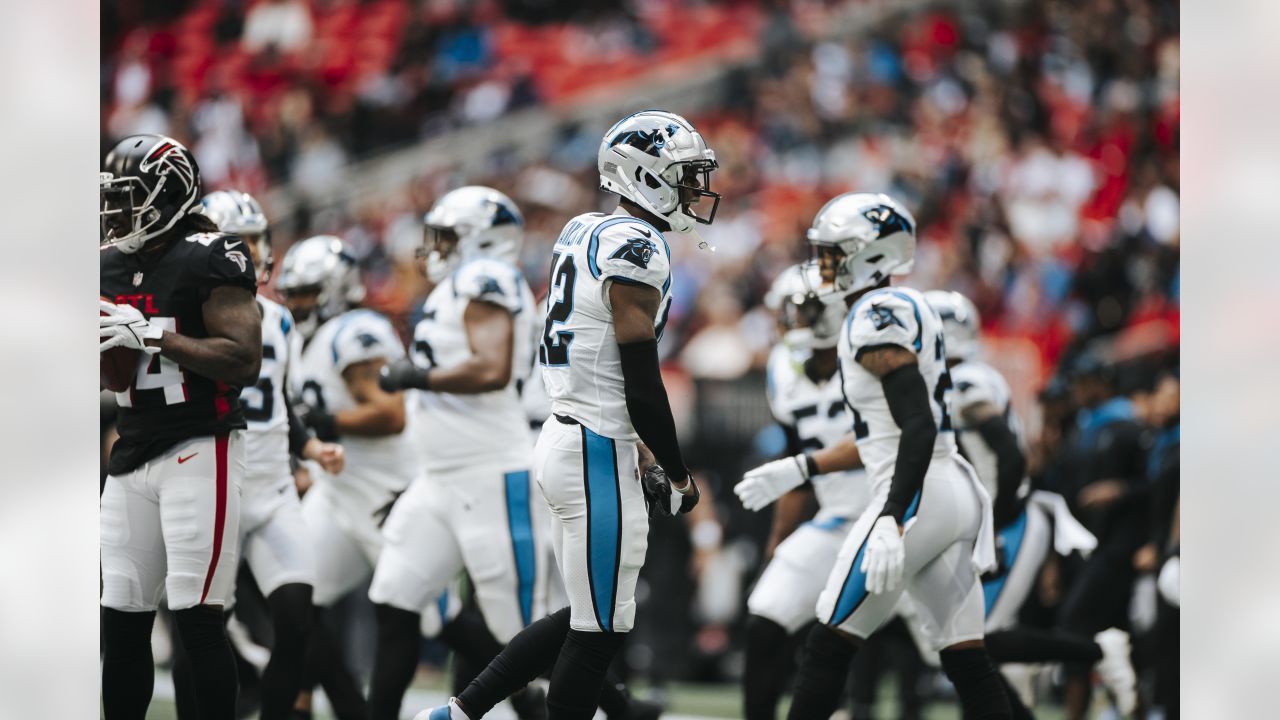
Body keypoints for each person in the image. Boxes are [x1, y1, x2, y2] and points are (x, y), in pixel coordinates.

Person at [417, 109, 717, 720]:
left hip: (573, 435)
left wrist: (643, 450)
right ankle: (459, 714)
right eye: (685, 176)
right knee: (599, 629)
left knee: (589, 618)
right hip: (594, 449)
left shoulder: (585, 229)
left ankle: (457, 713)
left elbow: (599, 360)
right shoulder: (636, 249)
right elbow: (639, 380)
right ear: (646, 176)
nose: (696, 189)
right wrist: (680, 474)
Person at [741, 192, 1011, 720]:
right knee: (966, 661)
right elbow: (887, 433)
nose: (822, 265)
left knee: (828, 645)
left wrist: (892, 514)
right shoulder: (905, 306)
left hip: (916, 497)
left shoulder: (872, 316)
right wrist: (800, 466)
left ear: (870, 253)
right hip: (949, 489)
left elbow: (916, 424)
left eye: (832, 253)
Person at [368, 186, 550, 720]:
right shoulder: (456, 287)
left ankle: (610, 708)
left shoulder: (485, 277)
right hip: (439, 476)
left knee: (519, 634)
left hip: (492, 473)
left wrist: (417, 376)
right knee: (395, 597)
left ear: (481, 238)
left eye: (447, 235)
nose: (436, 246)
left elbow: (491, 369)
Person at [100, 134, 261, 719]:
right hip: (132, 450)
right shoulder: (109, 264)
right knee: (120, 618)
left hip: (201, 446)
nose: (116, 213)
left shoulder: (210, 254)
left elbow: (243, 359)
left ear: (167, 194)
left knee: (196, 619)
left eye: (128, 198)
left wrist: (152, 334)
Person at [169, 190, 344, 720]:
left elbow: (281, 404)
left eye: (254, 240)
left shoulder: (280, 319)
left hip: (270, 487)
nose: (250, 252)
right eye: (236, 242)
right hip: (213, 480)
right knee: (198, 630)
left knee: (295, 617)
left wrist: (309, 445)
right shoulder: (188, 316)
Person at [924, 290, 1136, 718]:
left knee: (976, 641)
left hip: (1010, 518)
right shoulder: (958, 379)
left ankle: (1098, 651)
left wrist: (995, 518)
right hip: (995, 518)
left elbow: (1009, 455)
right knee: (964, 644)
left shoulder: (965, 382)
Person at [278, 235, 417, 720]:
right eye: (290, 292)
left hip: (389, 492)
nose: (295, 303)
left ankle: (554, 697)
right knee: (294, 603)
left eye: (306, 292)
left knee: (439, 619)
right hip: (338, 493)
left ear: (335, 288)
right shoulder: (298, 340)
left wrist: (326, 423)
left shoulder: (356, 330)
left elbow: (391, 413)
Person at [734, 262, 872, 720]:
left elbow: (883, 439)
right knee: (766, 618)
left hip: (901, 516)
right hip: (835, 521)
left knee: (956, 646)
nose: (790, 321)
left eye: (804, 310)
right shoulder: (784, 368)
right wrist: (780, 538)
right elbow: (796, 456)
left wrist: (802, 466)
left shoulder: (870, 356)